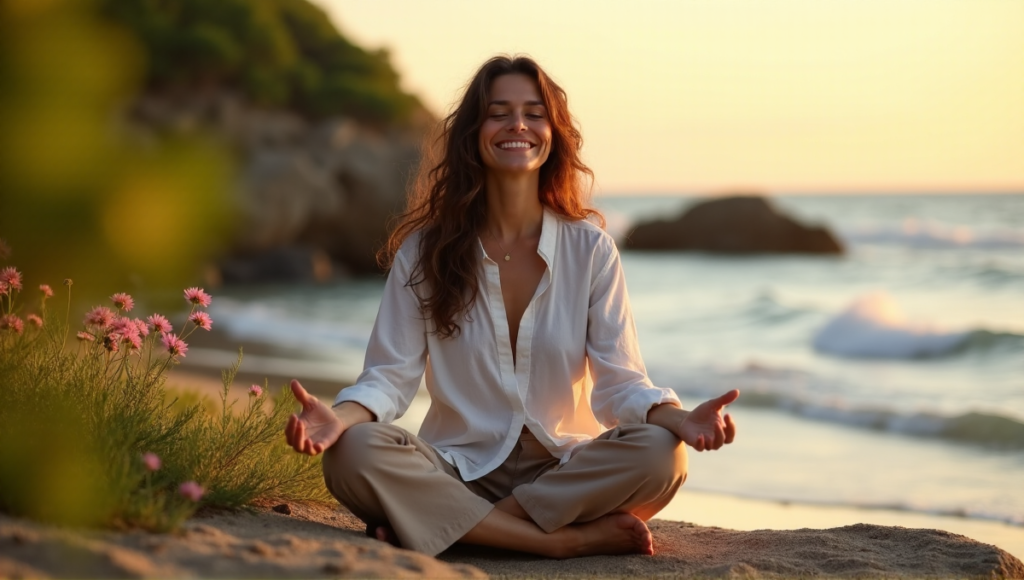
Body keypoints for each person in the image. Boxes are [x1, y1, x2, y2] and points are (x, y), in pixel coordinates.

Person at [284, 55, 739, 559]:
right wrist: (340, 419)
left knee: (662, 456)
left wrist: (680, 419)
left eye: (534, 113)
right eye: (499, 112)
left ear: (553, 133)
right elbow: (389, 377)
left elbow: (620, 383)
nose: (517, 124)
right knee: (352, 453)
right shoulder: (424, 251)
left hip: (564, 473)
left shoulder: (590, 250)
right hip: (458, 468)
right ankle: (561, 543)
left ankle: (460, 528)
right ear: (474, 132)